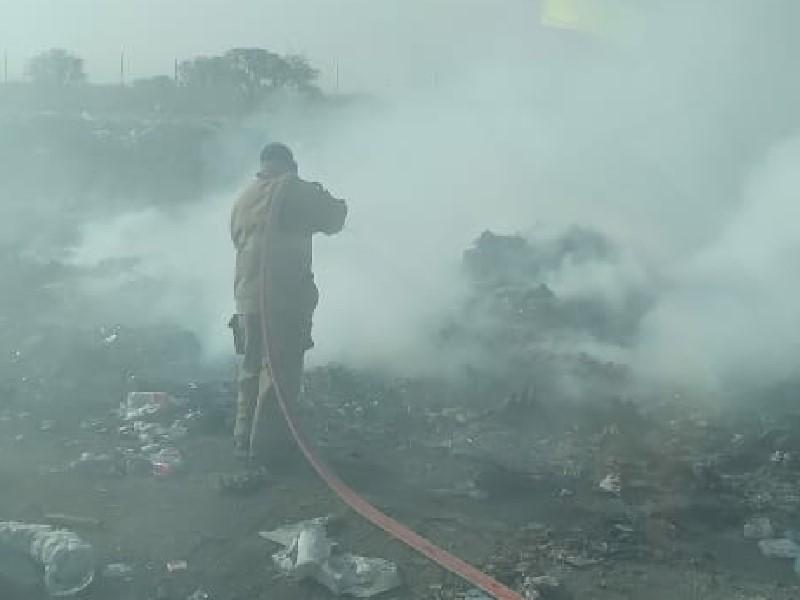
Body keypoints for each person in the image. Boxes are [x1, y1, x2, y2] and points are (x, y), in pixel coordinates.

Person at [229, 142, 346, 461]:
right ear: (290, 164)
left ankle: (242, 435)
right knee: (279, 372)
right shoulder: (295, 190)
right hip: (283, 299)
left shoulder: (243, 197)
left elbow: (236, 239)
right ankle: (269, 448)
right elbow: (335, 219)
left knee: (251, 365)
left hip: (248, 298)